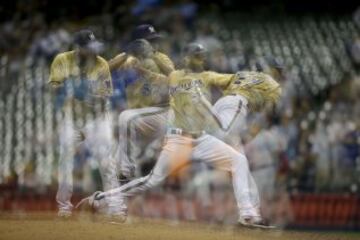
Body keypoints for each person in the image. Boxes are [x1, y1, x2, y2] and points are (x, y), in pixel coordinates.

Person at [79, 43, 280, 228]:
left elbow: (232, 81)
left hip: (201, 139)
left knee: (239, 160)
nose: (197, 60)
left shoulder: (206, 77)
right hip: (179, 140)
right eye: (194, 56)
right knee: (152, 180)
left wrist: (250, 82)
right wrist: (139, 67)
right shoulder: (176, 77)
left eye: (200, 56)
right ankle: (100, 199)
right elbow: (158, 77)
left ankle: (248, 215)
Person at [49, 29, 121, 219]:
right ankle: (64, 206)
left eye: (94, 47)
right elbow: (54, 88)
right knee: (65, 160)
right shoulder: (62, 60)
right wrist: (69, 89)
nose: (94, 52)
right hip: (71, 120)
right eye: (89, 48)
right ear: (79, 48)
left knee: (107, 162)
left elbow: (104, 97)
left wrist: (87, 95)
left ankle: (115, 206)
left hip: (96, 120)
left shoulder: (101, 64)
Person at [109, 25, 175, 180]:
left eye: (155, 41)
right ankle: (130, 174)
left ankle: (132, 170)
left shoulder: (161, 58)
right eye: (149, 42)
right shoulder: (127, 61)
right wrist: (125, 56)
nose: (154, 45)